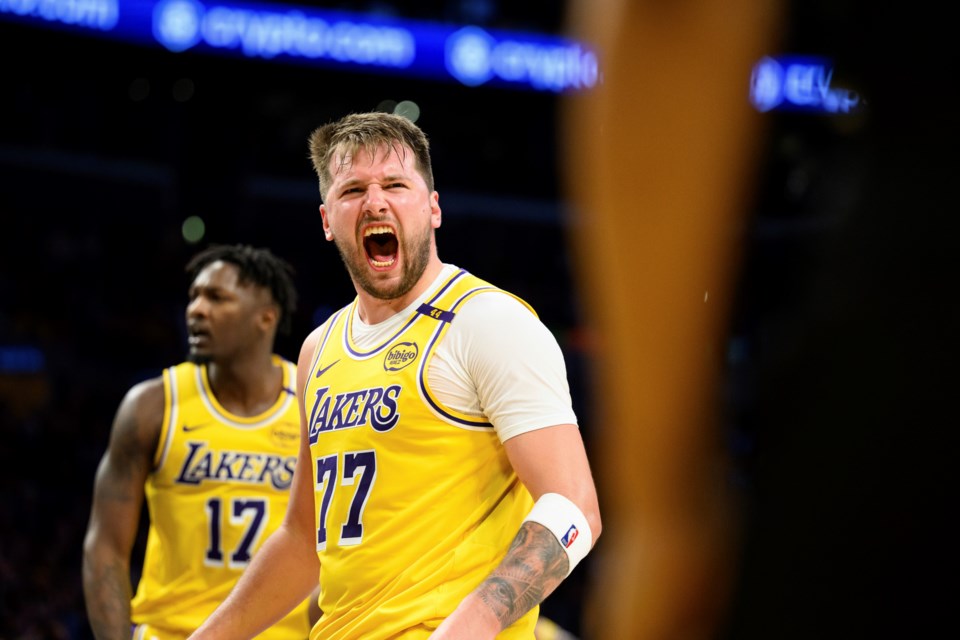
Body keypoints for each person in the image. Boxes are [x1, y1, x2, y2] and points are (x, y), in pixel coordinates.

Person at [189, 111, 602, 640]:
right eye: (353, 189)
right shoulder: (319, 350)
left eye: (396, 185)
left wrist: (466, 628)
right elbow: (300, 542)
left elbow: (575, 508)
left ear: (433, 209)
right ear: (326, 219)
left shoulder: (488, 323)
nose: (375, 202)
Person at [82, 244, 318, 639]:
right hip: (170, 632)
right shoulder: (152, 406)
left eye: (217, 298)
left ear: (266, 317)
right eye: (193, 297)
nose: (196, 310)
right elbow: (105, 546)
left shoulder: (315, 402)